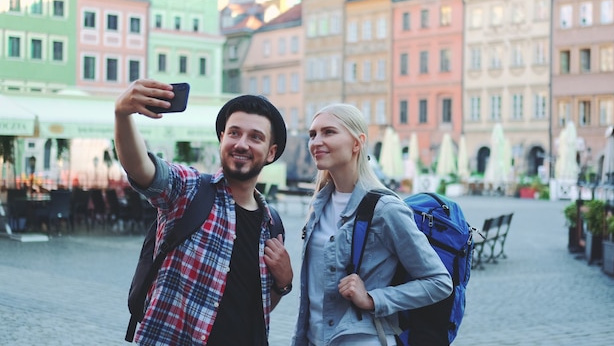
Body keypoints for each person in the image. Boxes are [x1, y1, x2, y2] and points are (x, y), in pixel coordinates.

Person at [114, 79, 293, 346]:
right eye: (234, 133)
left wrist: (283, 281)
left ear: (271, 152)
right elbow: (141, 168)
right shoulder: (188, 190)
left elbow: (259, 307)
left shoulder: (272, 226)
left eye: (255, 137)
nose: (242, 144)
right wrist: (122, 114)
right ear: (222, 138)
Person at [292, 104, 453, 346]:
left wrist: (372, 298)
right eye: (313, 134)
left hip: (361, 339)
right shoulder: (318, 204)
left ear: (357, 143)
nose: (316, 141)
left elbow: (439, 282)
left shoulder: (386, 208)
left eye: (329, 132)